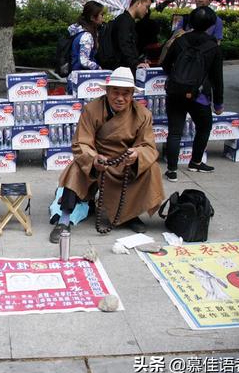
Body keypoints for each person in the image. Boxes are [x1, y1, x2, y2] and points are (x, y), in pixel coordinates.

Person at [49, 67, 165, 243]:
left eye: (126, 93)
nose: (120, 98)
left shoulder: (143, 114)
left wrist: (137, 154)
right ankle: (64, 220)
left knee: (151, 168)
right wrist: (93, 158)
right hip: (97, 159)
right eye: (115, 92)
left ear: (133, 94)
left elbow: (148, 146)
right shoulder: (92, 109)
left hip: (125, 162)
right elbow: (81, 142)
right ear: (107, 91)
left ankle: (129, 215)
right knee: (75, 168)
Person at [161, 7, 224, 182]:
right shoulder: (213, 46)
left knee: (174, 132)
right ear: (211, 23)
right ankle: (195, 162)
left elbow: (166, 65)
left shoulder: (179, 41)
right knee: (204, 127)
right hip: (200, 96)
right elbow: (217, 78)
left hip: (175, 93)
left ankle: (172, 171)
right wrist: (218, 104)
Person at [109, 0, 153, 74]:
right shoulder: (124, 21)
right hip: (122, 72)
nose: (147, 11)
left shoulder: (128, 21)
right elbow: (124, 45)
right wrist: (136, 63)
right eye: (147, 7)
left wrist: (140, 61)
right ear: (138, 3)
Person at [68, 0, 105, 71]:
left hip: (75, 76)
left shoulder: (78, 32)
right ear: (92, 18)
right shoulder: (86, 36)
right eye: (101, 15)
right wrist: (98, 68)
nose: (103, 18)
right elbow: (84, 61)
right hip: (82, 77)